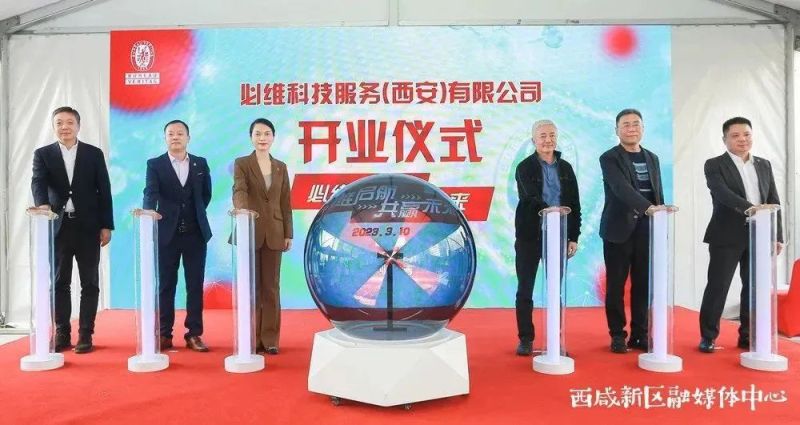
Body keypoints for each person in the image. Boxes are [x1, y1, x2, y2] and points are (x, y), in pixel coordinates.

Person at [31, 106, 114, 354]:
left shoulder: (93, 153)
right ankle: (62, 332)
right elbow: (38, 182)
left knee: (90, 282)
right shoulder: (43, 154)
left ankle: (86, 333)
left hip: (88, 227)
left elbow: (104, 190)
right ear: (53, 126)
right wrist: (42, 205)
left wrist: (106, 225)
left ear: (78, 126)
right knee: (60, 282)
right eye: (59, 123)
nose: (64, 127)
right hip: (58, 226)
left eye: (69, 122)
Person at [698, 117, 783, 353]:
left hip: (760, 234)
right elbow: (722, 193)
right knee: (718, 286)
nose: (742, 139)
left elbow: (773, 200)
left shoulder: (764, 165)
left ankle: (748, 335)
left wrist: (777, 235)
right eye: (735, 136)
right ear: (725, 139)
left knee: (754, 287)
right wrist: (752, 208)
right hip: (726, 235)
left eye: (746, 134)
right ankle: (708, 336)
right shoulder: (714, 165)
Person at [143, 120, 213, 352]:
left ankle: (194, 334)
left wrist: (194, 215)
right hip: (167, 233)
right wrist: (148, 213)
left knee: (195, 285)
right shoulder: (155, 164)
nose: (175, 137)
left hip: (196, 234)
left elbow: (206, 195)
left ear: (188, 138)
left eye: (180, 133)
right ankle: (164, 334)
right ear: (165, 138)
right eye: (171, 134)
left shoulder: (200, 163)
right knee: (166, 285)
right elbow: (150, 193)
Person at [513, 119, 581, 356]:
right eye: (542, 136)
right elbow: (530, 197)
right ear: (534, 140)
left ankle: (555, 340)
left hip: (559, 236)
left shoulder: (566, 168)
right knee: (525, 289)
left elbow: (575, 204)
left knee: (555, 290)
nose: (548, 140)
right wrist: (551, 211)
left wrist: (573, 237)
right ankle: (526, 339)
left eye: (552, 135)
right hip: (530, 236)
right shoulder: (524, 167)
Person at [599, 108, 664, 354]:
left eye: (636, 124)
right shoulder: (609, 158)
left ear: (642, 128)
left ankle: (640, 334)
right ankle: (617, 334)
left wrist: (659, 219)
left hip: (647, 229)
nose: (631, 128)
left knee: (643, 284)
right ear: (617, 130)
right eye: (625, 124)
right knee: (616, 285)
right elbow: (621, 188)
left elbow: (658, 193)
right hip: (618, 229)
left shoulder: (652, 158)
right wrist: (648, 208)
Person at [232, 118, 293, 354]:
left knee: (271, 288)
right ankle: (252, 339)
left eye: (267, 133)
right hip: (250, 230)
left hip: (276, 233)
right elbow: (240, 190)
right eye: (257, 133)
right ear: (251, 137)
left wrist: (288, 233)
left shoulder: (281, 167)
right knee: (252, 288)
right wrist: (243, 213)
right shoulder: (242, 163)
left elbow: (285, 202)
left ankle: (270, 340)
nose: (262, 138)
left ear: (273, 137)